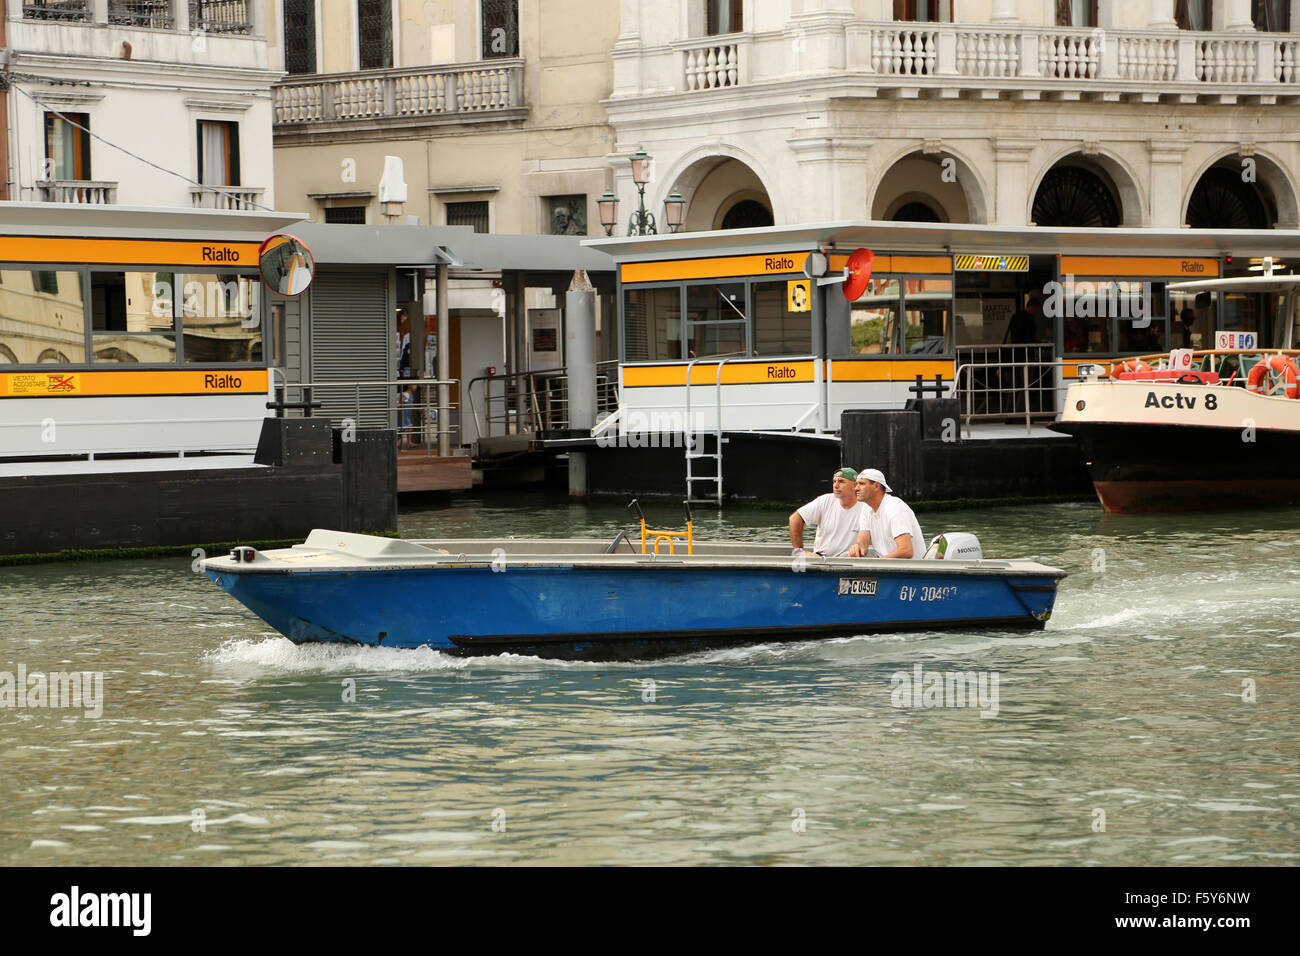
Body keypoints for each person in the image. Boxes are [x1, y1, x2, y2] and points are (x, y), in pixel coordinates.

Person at [848, 468, 925, 559]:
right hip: (886, 565)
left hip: (911, 569)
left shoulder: (894, 507)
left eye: (861, 484)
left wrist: (877, 564)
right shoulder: (866, 507)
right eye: (856, 484)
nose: (856, 488)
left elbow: (906, 551)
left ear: (876, 486)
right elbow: (863, 542)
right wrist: (857, 548)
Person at [789, 467, 864, 558]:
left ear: (855, 485)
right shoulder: (825, 500)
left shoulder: (866, 507)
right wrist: (799, 550)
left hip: (850, 562)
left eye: (841, 481)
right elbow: (795, 518)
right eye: (834, 481)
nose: (836, 485)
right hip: (820, 559)